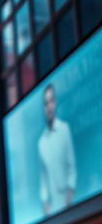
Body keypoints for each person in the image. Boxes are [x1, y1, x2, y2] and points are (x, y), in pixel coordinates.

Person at [38, 83, 76, 216]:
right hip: (53, 209)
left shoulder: (64, 129)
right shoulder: (41, 142)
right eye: (45, 103)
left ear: (55, 103)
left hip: (69, 203)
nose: (49, 107)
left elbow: (72, 166)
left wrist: (69, 196)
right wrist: (45, 205)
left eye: (51, 101)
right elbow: (43, 178)